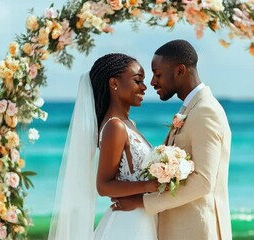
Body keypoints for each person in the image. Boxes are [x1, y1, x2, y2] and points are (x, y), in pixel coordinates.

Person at [112, 40, 233, 239]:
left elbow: (203, 182)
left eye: (157, 74)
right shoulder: (191, 109)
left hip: (198, 230)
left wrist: (142, 201)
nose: (152, 82)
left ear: (180, 70)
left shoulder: (205, 111)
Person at [48, 53, 159, 240]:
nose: (144, 87)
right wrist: (149, 185)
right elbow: (104, 185)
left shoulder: (129, 124)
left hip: (141, 218)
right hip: (128, 224)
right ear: (114, 83)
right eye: (137, 80)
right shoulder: (115, 126)